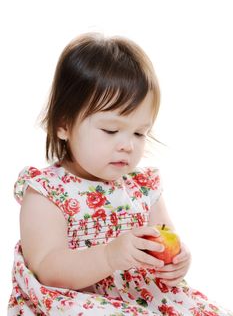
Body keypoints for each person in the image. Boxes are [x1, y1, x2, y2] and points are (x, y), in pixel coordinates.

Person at [8, 32, 232, 316]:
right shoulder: (46, 192)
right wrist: (109, 256)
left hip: (142, 295)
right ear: (63, 124)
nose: (127, 145)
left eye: (140, 133)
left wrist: (177, 260)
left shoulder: (143, 187)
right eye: (111, 131)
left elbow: (165, 237)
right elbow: (47, 269)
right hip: (77, 300)